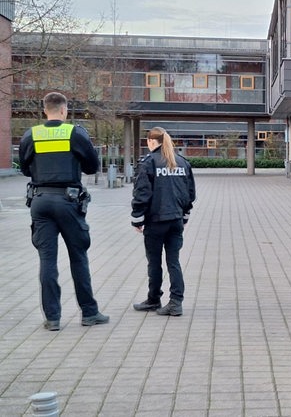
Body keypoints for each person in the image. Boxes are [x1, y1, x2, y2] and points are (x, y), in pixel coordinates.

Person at [18, 92, 109, 331]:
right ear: (64, 110)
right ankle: (89, 313)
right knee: (78, 257)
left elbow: (25, 169)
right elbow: (92, 167)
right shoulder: (74, 133)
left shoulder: (31, 134)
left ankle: (53, 318)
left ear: (45, 109)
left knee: (47, 260)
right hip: (68, 202)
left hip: (40, 201)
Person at [131, 127, 196, 317]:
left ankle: (154, 298)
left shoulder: (149, 162)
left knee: (154, 262)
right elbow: (190, 193)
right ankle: (176, 301)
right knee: (173, 260)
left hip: (156, 221)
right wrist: (184, 216)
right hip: (175, 220)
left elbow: (142, 193)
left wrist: (137, 218)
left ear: (151, 141)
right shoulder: (182, 162)